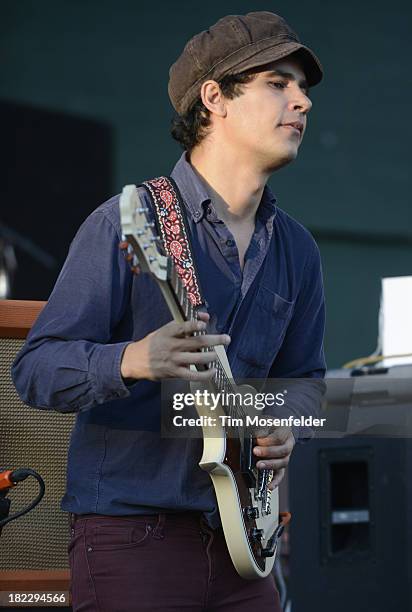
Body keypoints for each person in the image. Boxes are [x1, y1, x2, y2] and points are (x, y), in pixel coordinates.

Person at [12, 11, 326, 612]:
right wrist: (133, 359)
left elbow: (305, 383)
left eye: (304, 89)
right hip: (133, 538)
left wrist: (285, 428)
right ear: (215, 99)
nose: (302, 102)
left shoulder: (298, 250)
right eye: (278, 83)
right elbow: (34, 371)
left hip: (245, 552)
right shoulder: (125, 222)